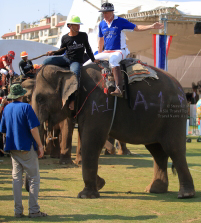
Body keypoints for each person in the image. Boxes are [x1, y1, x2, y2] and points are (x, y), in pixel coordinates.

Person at [84, 2, 164, 97]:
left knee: (113, 60)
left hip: (120, 51)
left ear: (112, 12)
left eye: (106, 13)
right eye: (103, 13)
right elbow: (101, 39)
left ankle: (119, 88)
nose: (104, 15)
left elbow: (136, 27)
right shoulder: (102, 24)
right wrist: (99, 53)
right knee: (87, 62)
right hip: (107, 51)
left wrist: (151, 26)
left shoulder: (120, 21)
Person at [0, 84, 47, 218]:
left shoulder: (7, 108)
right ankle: (34, 210)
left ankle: (17, 211)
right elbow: (33, 129)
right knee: (33, 179)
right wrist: (40, 145)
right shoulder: (26, 107)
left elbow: (3, 129)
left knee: (16, 179)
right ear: (21, 95)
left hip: (12, 148)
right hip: (26, 147)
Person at [43, 15, 100, 110]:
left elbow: (88, 48)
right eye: (76, 25)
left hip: (76, 62)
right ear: (70, 26)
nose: (79, 27)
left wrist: (93, 59)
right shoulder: (65, 38)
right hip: (65, 58)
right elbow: (61, 51)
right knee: (46, 62)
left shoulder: (83, 35)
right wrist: (53, 53)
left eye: (79, 25)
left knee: (74, 75)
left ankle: (72, 100)